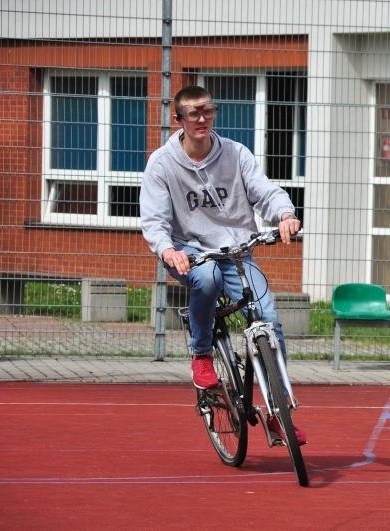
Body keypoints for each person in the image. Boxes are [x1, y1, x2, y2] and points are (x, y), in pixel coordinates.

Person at [140, 85, 305, 444]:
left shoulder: (235, 153)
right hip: (189, 251)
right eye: (194, 113)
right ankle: (201, 354)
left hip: (236, 251)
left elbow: (264, 190)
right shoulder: (162, 163)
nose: (202, 119)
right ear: (179, 119)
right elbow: (154, 221)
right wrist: (168, 250)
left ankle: (280, 414)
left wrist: (285, 214)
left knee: (269, 321)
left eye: (208, 111)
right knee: (207, 277)